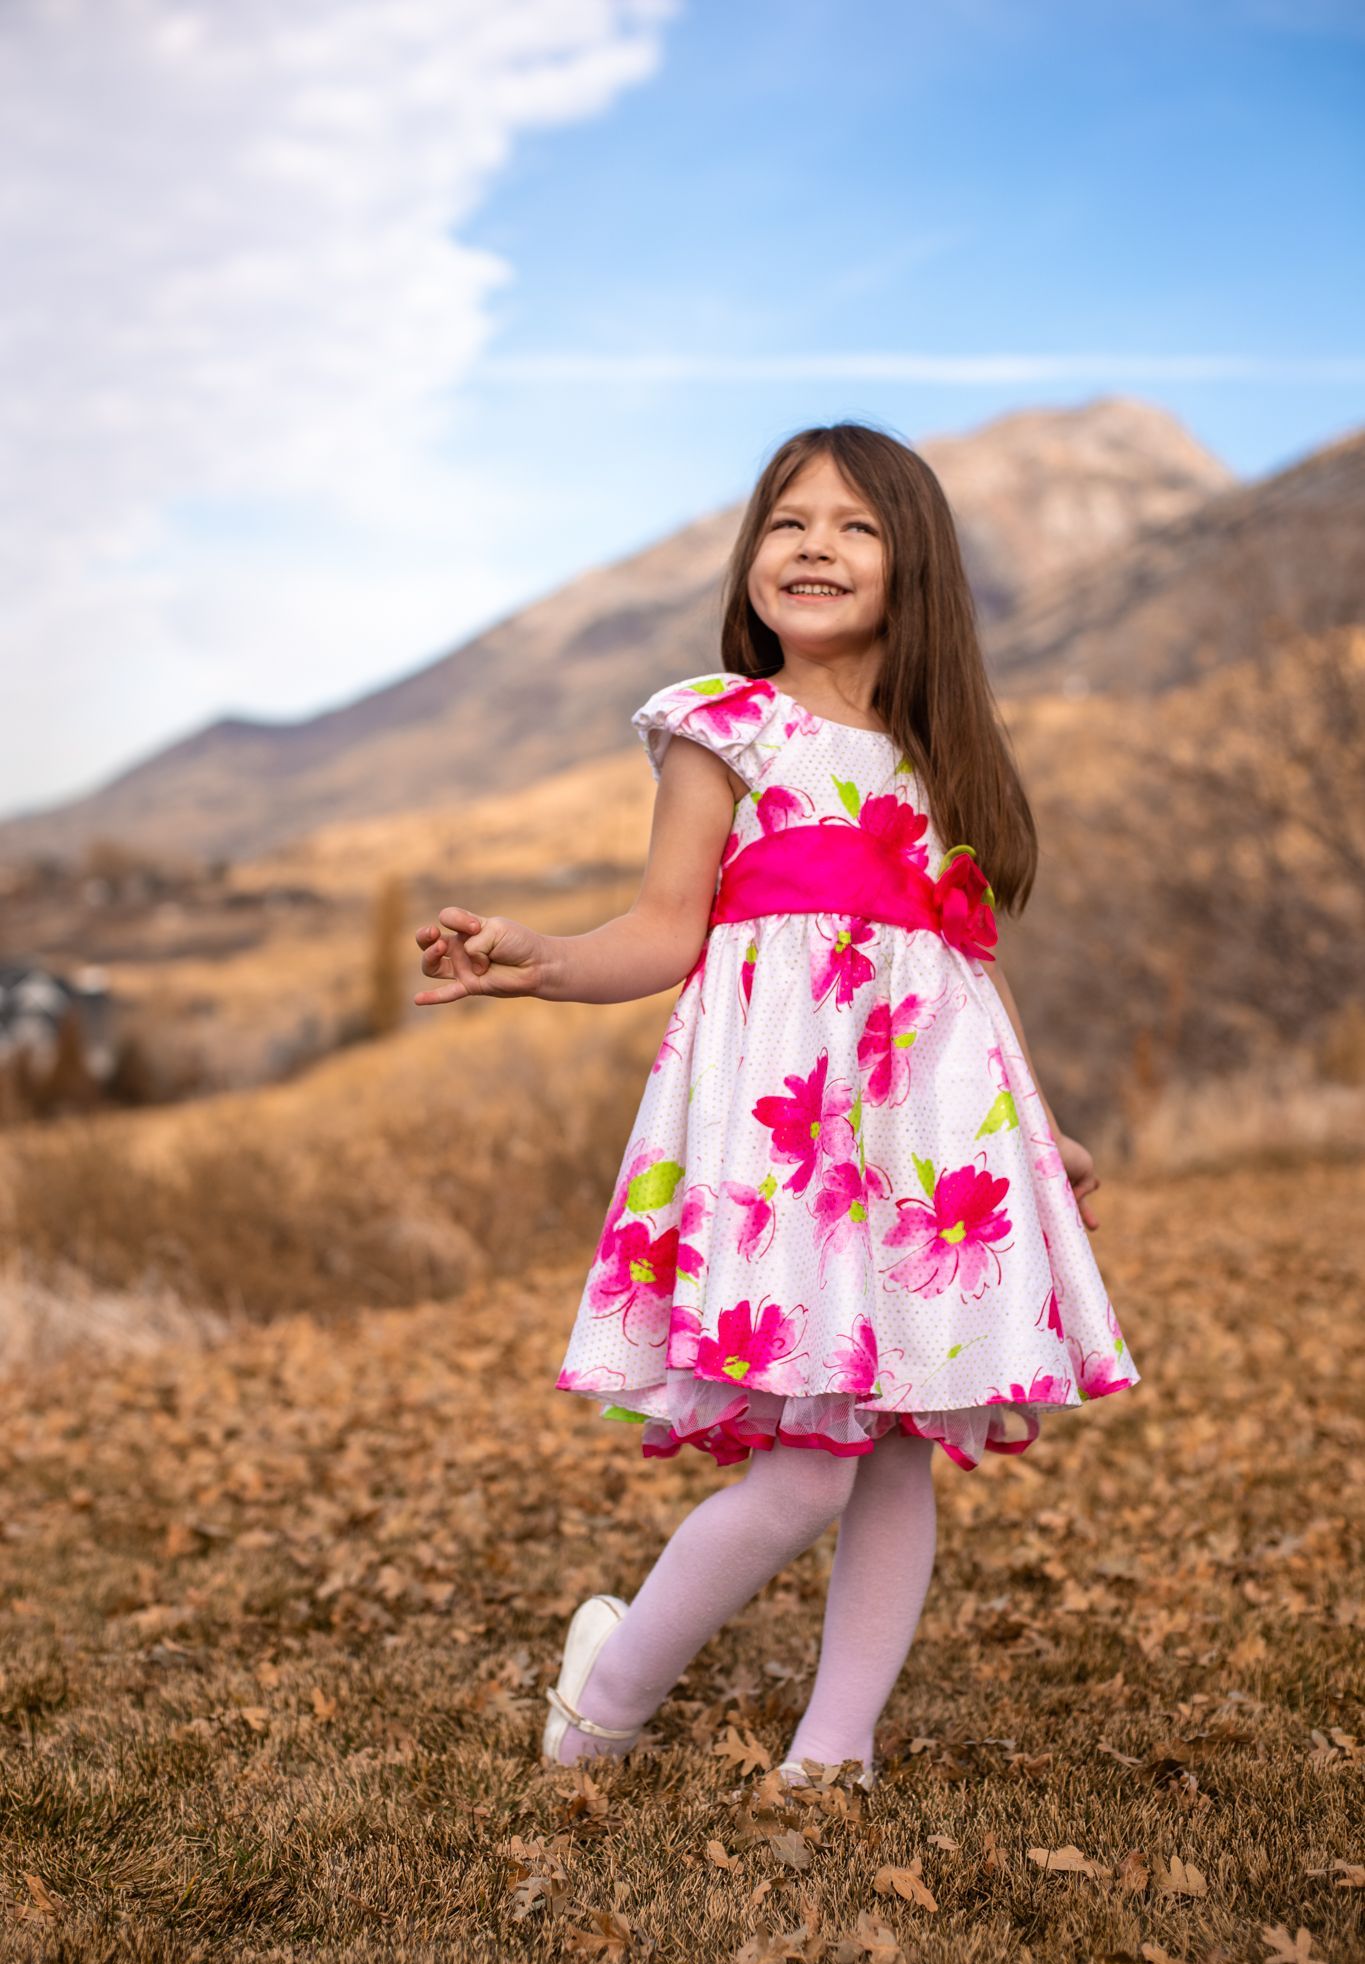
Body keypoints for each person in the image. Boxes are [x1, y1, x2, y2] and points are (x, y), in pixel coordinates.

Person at [413, 421, 1141, 1789]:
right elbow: (659, 930)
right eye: (788, 521)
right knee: (806, 1470)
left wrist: (1037, 1138)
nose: (813, 546)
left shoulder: (944, 759)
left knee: (897, 1458)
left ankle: (830, 1754)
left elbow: (964, 977)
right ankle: (606, 1696)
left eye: (855, 526)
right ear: (752, 557)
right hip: (788, 1143)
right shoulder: (726, 725)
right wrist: (544, 961)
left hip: (926, 1157)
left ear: (912, 565)